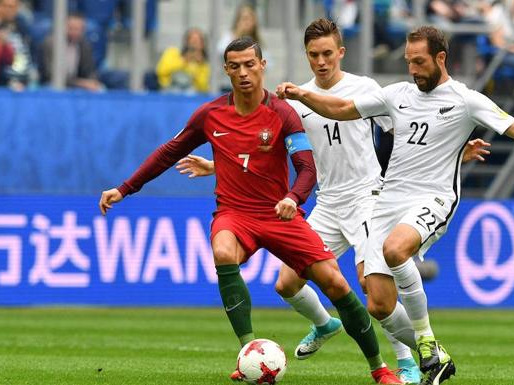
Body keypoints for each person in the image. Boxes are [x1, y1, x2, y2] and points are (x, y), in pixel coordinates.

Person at [277, 26, 514, 385]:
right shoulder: (397, 94)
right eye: (409, 62)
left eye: (420, 62)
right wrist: (303, 95)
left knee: (396, 249)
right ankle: (436, 359)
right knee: (378, 304)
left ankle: (424, 340)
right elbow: (343, 109)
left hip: (432, 198)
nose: (414, 69)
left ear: (440, 58)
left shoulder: (466, 100)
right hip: (388, 200)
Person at [176, 18, 491, 385]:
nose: (321, 61)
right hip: (327, 202)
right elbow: (266, 150)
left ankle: (408, 361)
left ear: (340, 52)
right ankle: (325, 323)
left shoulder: (365, 88)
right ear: (306, 56)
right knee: (286, 283)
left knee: (372, 289)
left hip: (368, 198)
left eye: (328, 53)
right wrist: (217, 165)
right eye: (314, 55)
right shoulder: (299, 101)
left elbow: (407, 132)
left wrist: (452, 150)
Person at [99, 36, 404, 385]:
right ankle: (249, 353)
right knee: (222, 251)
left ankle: (380, 369)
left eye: (249, 64)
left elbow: (306, 168)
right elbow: (169, 152)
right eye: (235, 66)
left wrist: (293, 198)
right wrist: (124, 188)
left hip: (278, 214)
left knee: (335, 283)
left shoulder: (282, 113)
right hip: (234, 214)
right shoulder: (210, 114)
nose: (243, 72)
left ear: (262, 66)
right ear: (226, 70)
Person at [40, 13, 103, 91]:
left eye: (79, 29)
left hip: (78, 85)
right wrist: (81, 83)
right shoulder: (50, 44)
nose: (75, 32)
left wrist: (92, 81)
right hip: (53, 84)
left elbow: (90, 70)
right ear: (63, 27)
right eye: (71, 28)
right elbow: (51, 75)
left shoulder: (84, 44)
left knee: (99, 89)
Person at [156, 27, 211, 93]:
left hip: (192, 94)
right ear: (186, 42)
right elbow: (161, 71)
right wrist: (183, 61)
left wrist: (199, 65)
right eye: (192, 40)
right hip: (169, 90)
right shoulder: (172, 52)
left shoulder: (204, 65)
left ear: (202, 45)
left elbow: (203, 88)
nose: (194, 44)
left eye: (197, 41)